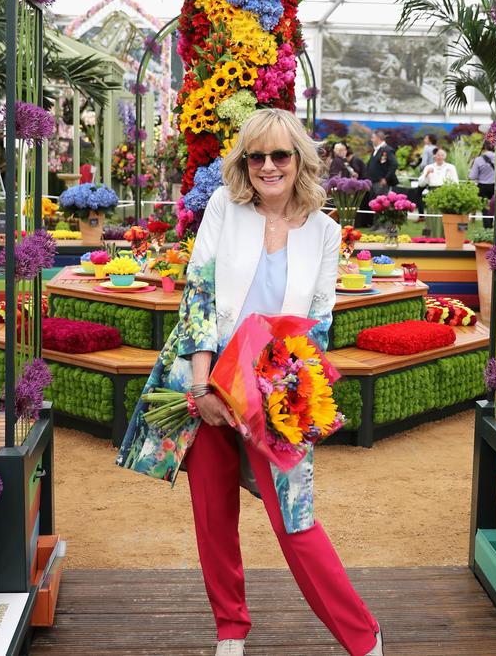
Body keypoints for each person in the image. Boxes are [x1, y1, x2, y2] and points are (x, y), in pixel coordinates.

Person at [117, 109, 383, 656]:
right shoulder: (224, 208)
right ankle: (230, 630)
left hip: (275, 394)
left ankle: (363, 637)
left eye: (280, 155)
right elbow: (200, 295)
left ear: (301, 161)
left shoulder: (326, 232)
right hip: (209, 383)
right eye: (255, 156)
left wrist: (283, 394)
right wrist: (200, 387)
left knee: (296, 521)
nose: (267, 166)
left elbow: (320, 321)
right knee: (214, 516)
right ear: (244, 163)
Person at [366, 129, 396, 196]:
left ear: (378, 138)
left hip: (380, 183)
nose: (371, 140)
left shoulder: (387, 150)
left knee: (380, 203)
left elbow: (394, 165)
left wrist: (386, 178)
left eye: (373, 138)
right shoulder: (376, 150)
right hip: (372, 182)